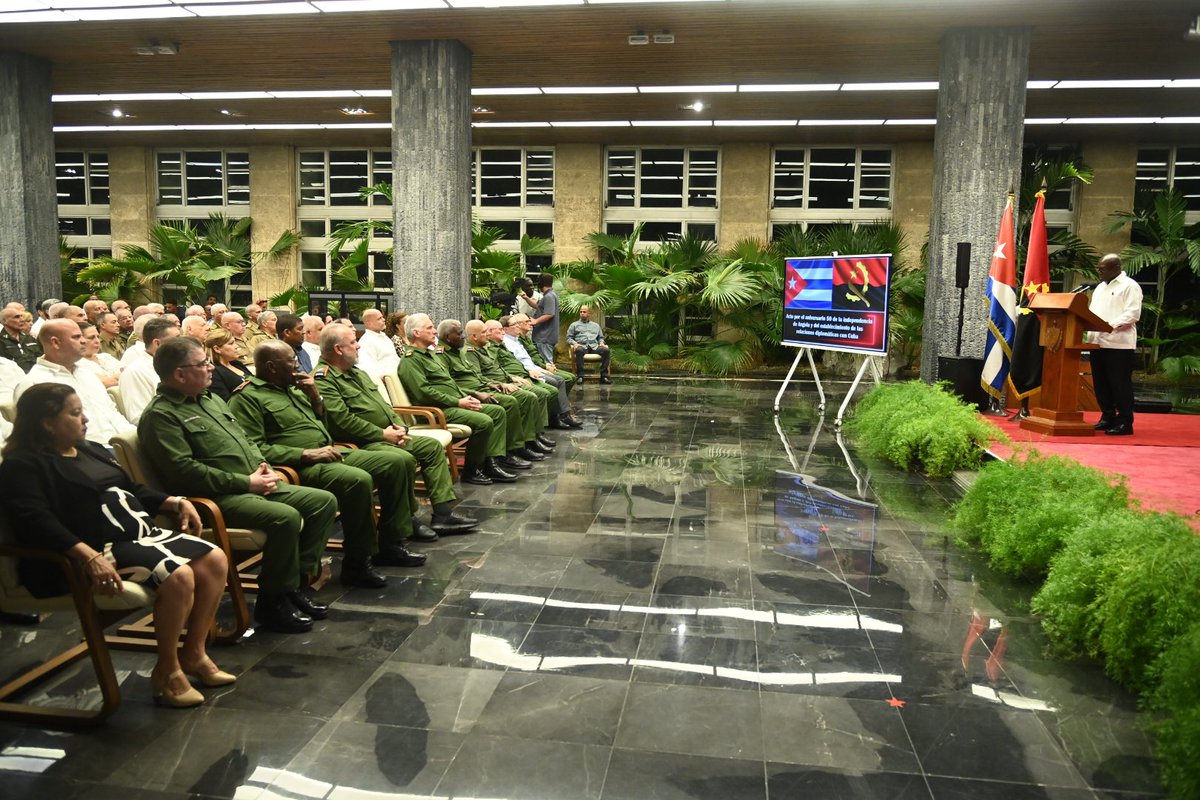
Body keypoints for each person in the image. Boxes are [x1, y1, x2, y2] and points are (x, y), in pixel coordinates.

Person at [0, 384, 233, 707]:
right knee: (178, 575)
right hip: (84, 553)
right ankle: (168, 670)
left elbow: (133, 488)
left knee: (215, 558)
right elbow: (34, 520)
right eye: (74, 412)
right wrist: (87, 554)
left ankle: (193, 653)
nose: (84, 419)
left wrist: (175, 502)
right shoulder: (22, 464)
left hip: (136, 536)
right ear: (46, 422)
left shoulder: (89, 448)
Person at [138, 337, 338, 634]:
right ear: (179, 374)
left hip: (252, 482)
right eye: (203, 364)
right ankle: (272, 601)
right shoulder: (161, 415)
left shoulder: (212, 400)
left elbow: (245, 441)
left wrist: (263, 469)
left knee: (322, 502)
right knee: (285, 518)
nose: (210, 368)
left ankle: (294, 585)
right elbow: (184, 472)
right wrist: (246, 482)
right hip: (213, 498)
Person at [229, 341, 431, 583]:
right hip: (301, 464)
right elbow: (255, 449)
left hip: (330, 451)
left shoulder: (293, 388)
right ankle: (358, 561)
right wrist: (304, 454)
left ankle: (391, 541)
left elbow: (321, 423)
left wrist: (315, 396)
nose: (297, 365)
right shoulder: (248, 397)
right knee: (357, 480)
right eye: (291, 361)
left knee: (398, 462)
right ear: (271, 367)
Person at [314, 323, 479, 530]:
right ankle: (407, 519)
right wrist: (383, 434)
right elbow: (342, 421)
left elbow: (385, 407)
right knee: (404, 459)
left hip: (388, 433)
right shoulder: (324, 379)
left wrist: (401, 427)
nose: (358, 346)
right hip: (363, 441)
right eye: (353, 342)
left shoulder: (357, 373)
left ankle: (443, 514)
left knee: (431, 447)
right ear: (338, 349)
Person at [397, 313, 521, 484]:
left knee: (497, 411)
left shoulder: (430, 355)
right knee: (484, 421)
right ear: (416, 333)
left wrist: (467, 397)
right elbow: (423, 393)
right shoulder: (411, 360)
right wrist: (458, 402)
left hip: (452, 404)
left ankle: (491, 462)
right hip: (437, 410)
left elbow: (450, 383)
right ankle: (472, 470)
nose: (434, 331)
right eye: (430, 328)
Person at [439, 318, 548, 464]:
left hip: (486, 387)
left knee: (529, 396)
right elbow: (449, 384)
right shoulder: (458, 353)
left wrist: (500, 382)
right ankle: (508, 451)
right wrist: (478, 392)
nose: (488, 335)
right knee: (512, 402)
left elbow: (478, 376)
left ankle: (525, 442)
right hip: (472, 393)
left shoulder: (459, 353)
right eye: (484, 332)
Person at [15, 320, 135, 446]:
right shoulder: (35, 384)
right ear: (55, 342)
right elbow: (39, 440)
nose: (83, 341)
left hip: (124, 442)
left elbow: (112, 412)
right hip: (85, 455)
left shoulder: (87, 374)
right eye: (76, 337)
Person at [1087, 253, 1143, 436]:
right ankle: (1107, 417)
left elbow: (1132, 314)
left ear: (1115, 268)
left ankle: (1125, 422)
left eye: (1102, 269)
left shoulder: (1130, 286)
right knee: (1101, 384)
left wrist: (1107, 326)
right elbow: (1092, 313)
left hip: (1119, 344)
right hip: (1098, 342)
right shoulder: (1099, 288)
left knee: (1119, 384)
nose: (1099, 272)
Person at [500, 315, 581, 429]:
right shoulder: (506, 342)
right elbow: (515, 363)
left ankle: (562, 415)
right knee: (554, 382)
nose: (518, 326)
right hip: (526, 371)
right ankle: (554, 418)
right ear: (506, 329)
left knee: (562, 379)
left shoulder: (517, 339)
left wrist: (542, 367)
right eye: (515, 324)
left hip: (533, 368)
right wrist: (532, 370)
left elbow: (531, 357)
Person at [118, 316, 179, 424]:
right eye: (176, 339)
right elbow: (139, 417)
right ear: (157, 343)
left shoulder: (177, 364)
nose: (182, 343)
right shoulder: (135, 372)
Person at [565, 304, 611, 384]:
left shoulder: (596, 326)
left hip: (594, 346)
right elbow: (569, 338)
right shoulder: (574, 325)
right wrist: (575, 343)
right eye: (581, 312)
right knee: (578, 350)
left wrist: (601, 343)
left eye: (584, 312)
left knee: (606, 350)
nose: (582, 313)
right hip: (581, 346)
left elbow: (601, 337)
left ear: (589, 313)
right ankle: (580, 376)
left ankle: (604, 376)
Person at [206, 328, 253, 401]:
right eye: (231, 343)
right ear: (217, 349)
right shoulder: (213, 372)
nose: (236, 346)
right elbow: (225, 401)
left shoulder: (236, 363)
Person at [358, 308, 399, 385]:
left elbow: (394, 359)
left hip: (397, 379)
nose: (384, 320)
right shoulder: (366, 341)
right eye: (379, 318)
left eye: (382, 317)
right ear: (369, 323)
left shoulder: (385, 337)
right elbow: (368, 367)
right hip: (388, 384)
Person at [77, 321, 122, 389]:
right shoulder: (77, 364)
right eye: (91, 337)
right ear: (79, 340)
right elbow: (102, 383)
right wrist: (117, 377)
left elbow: (128, 373)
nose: (97, 341)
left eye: (97, 337)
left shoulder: (105, 356)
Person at [530, 273, 560, 365]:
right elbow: (538, 307)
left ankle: (554, 379)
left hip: (544, 337)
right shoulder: (550, 295)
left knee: (547, 363)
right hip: (544, 337)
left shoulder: (549, 297)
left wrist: (535, 321)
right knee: (546, 363)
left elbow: (549, 314)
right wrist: (526, 298)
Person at [0, 306, 42, 372]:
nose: (22, 320)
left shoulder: (30, 339)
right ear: (5, 321)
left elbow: (40, 358)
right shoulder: (1, 341)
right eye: (17, 317)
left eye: (21, 316)